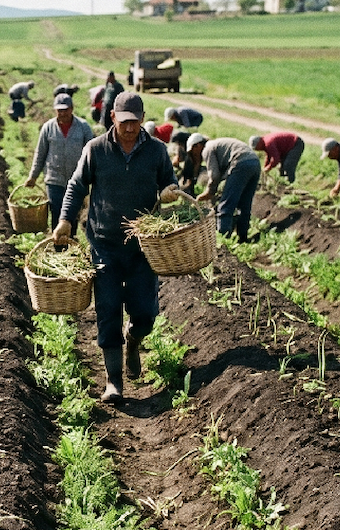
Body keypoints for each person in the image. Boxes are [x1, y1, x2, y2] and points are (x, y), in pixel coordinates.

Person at [51, 92, 178, 404]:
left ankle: (134, 341)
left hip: (143, 247)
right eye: (124, 122)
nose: (130, 128)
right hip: (104, 243)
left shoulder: (157, 151)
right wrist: (66, 219)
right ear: (113, 119)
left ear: (142, 118)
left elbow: (169, 184)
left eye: (135, 121)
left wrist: (171, 193)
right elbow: (76, 185)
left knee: (145, 313)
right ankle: (113, 381)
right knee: (108, 310)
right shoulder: (96, 149)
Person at [25, 93, 95, 231]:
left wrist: (93, 176)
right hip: (54, 178)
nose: (62, 113)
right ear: (55, 110)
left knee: (73, 211)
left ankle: (71, 241)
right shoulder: (48, 127)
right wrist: (33, 176)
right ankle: (57, 245)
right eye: (59, 110)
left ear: (72, 108)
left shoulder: (83, 127)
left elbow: (92, 154)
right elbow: (40, 153)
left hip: (77, 179)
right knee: (56, 210)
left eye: (65, 109)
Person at [197, 137, 261, 243]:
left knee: (226, 204)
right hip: (255, 162)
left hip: (240, 163)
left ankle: (223, 240)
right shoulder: (218, 144)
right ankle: (243, 237)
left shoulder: (207, 149)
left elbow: (215, 175)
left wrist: (210, 191)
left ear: (198, 145)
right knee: (245, 204)